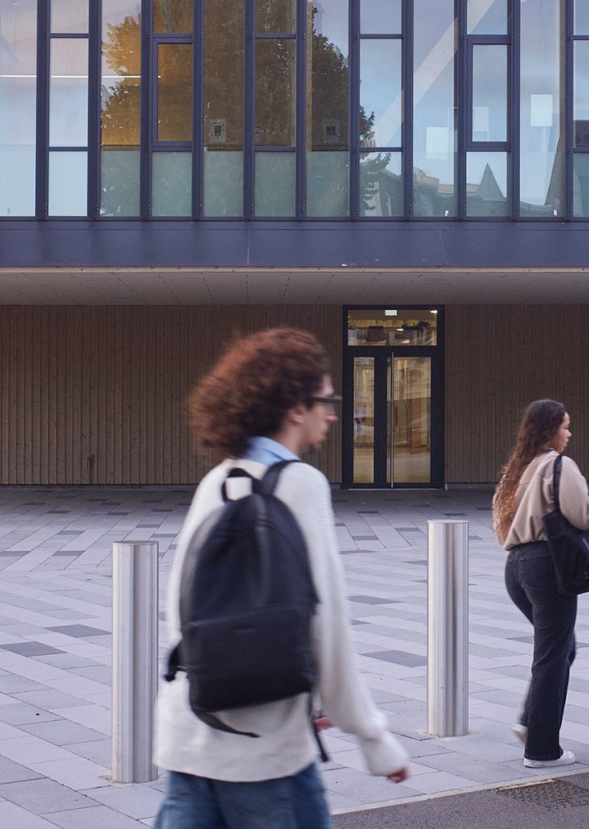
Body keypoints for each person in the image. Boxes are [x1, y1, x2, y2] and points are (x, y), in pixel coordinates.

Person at [154, 327, 409, 828]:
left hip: (190, 735)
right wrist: (372, 736)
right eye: (327, 400)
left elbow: (181, 606)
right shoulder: (300, 484)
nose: (333, 414)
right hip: (265, 748)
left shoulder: (220, 476)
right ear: (296, 407)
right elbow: (327, 624)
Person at [492, 398, 589, 769]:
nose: (569, 434)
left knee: (560, 649)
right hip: (547, 566)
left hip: (516, 567)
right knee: (553, 657)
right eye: (566, 427)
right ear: (551, 429)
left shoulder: (517, 469)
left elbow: (500, 525)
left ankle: (529, 721)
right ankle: (542, 750)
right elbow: (584, 515)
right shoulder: (558, 465)